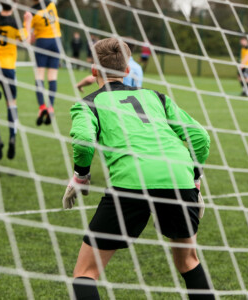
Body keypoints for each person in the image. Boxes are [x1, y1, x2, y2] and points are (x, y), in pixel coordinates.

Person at [63, 38, 213, 300]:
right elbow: (200, 137)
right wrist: (195, 177)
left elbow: (84, 142)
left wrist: (81, 176)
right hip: (178, 176)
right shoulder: (156, 97)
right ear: (128, 70)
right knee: (189, 262)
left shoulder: (87, 104)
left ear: (93, 71)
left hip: (131, 182)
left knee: (85, 272)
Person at [0, 0, 32, 160]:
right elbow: (26, 40)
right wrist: (27, 22)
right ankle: (12, 136)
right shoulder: (16, 23)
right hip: (8, 68)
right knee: (11, 103)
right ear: (14, 6)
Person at [30, 0, 61, 126]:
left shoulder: (32, 12)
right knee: (52, 77)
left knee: (39, 75)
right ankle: (51, 106)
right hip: (56, 41)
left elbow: (30, 37)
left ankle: (42, 106)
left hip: (42, 42)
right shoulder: (51, 4)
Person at [76, 39, 143, 92]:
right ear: (127, 70)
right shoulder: (138, 67)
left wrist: (78, 85)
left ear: (94, 70)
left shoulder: (110, 60)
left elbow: (90, 79)